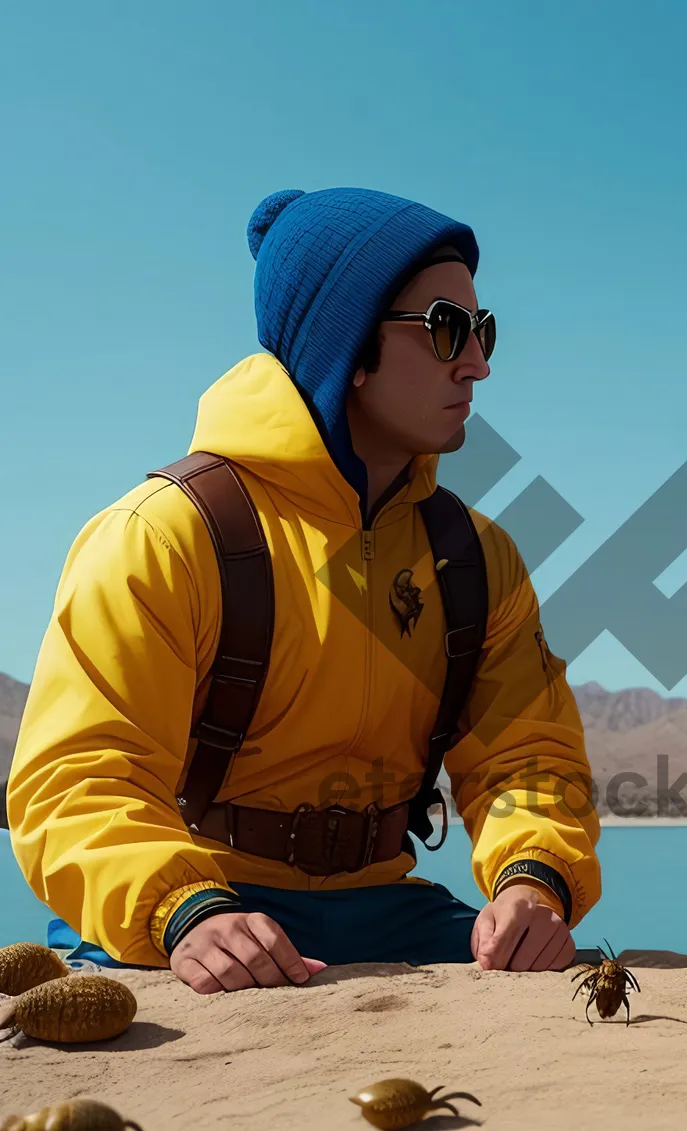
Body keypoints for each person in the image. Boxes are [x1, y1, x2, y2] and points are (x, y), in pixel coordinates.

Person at [7, 187, 601, 993]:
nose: (479, 362)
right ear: (348, 345)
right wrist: (184, 910)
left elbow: (526, 756)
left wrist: (534, 880)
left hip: (387, 908)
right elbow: (80, 780)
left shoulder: (476, 556)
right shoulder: (164, 535)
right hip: (204, 905)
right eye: (446, 329)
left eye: (482, 329)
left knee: (584, 992)